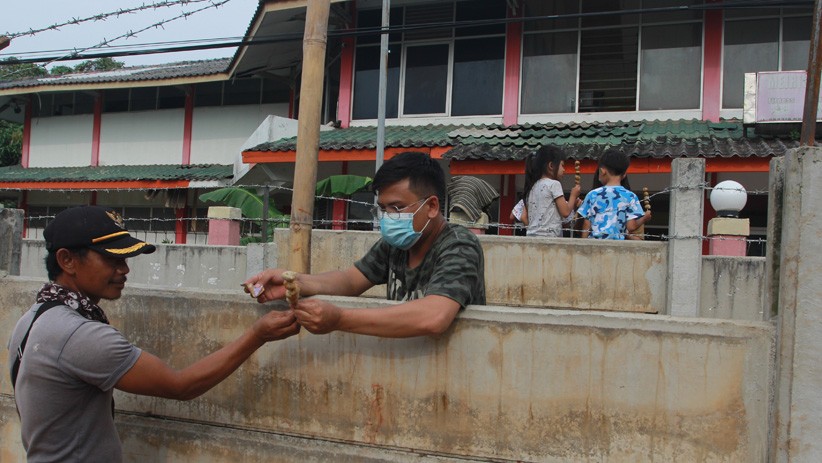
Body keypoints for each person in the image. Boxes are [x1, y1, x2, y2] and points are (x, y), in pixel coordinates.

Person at [7, 206, 300, 462]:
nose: (124, 269)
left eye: (125, 259)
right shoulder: (79, 335)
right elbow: (180, 386)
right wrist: (257, 335)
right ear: (67, 260)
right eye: (111, 259)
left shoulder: (32, 319)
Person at [244, 151, 486, 338]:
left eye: (397, 207)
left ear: (432, 206)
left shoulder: (459, 246)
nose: (388, 217)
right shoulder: (394, 245)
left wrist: (340, 319)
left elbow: (435, 316)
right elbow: (350, 280)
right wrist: (294, 282)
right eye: (383, 208)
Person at [578, 150, 651, 239]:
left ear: (602, 171)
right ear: (624, 174)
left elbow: (586, 224)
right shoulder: (630, 196)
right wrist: (644, 218)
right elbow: (631, 226)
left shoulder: (592, 194)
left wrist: (583, 242)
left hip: (594, 243)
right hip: (617, 244)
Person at [519, 145, 581, 237]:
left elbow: (524, 216)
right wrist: (573, 195)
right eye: (562, 165)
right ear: (551, 166)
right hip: (550, 238)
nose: (564, 170)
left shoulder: (532, 187)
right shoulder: (554, 184)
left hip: (532, 237)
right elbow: (565, 212)